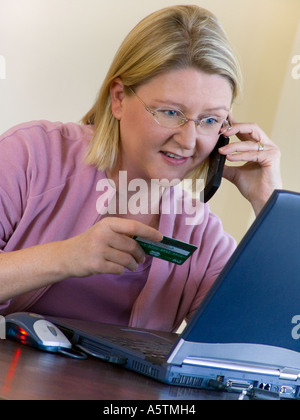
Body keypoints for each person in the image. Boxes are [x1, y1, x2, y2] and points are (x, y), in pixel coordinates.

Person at [0, 5, 281, 332]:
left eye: (209, 120)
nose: (189, 140)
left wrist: (269, 205)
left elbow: (258, 341)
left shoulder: (202, 234)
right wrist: (66, 257)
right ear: (118, 98)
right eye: (171, 112)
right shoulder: (33, 155)